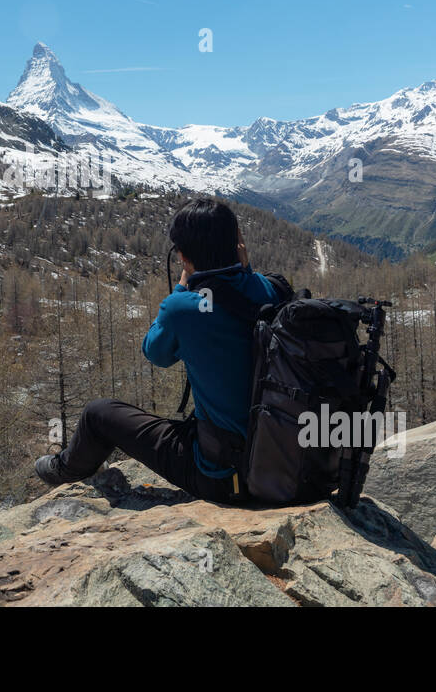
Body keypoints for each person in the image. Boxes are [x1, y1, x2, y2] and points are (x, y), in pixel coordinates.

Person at [34, 197, 285, 502]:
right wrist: (246, 272)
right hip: (282, 465)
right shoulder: (272, 289)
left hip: (224, 478)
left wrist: (180, 289)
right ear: (238, 244)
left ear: (182, 257)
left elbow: (156, 353)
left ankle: (64, 470)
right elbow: (247, 296)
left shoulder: (184, 307)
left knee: (97, 414)